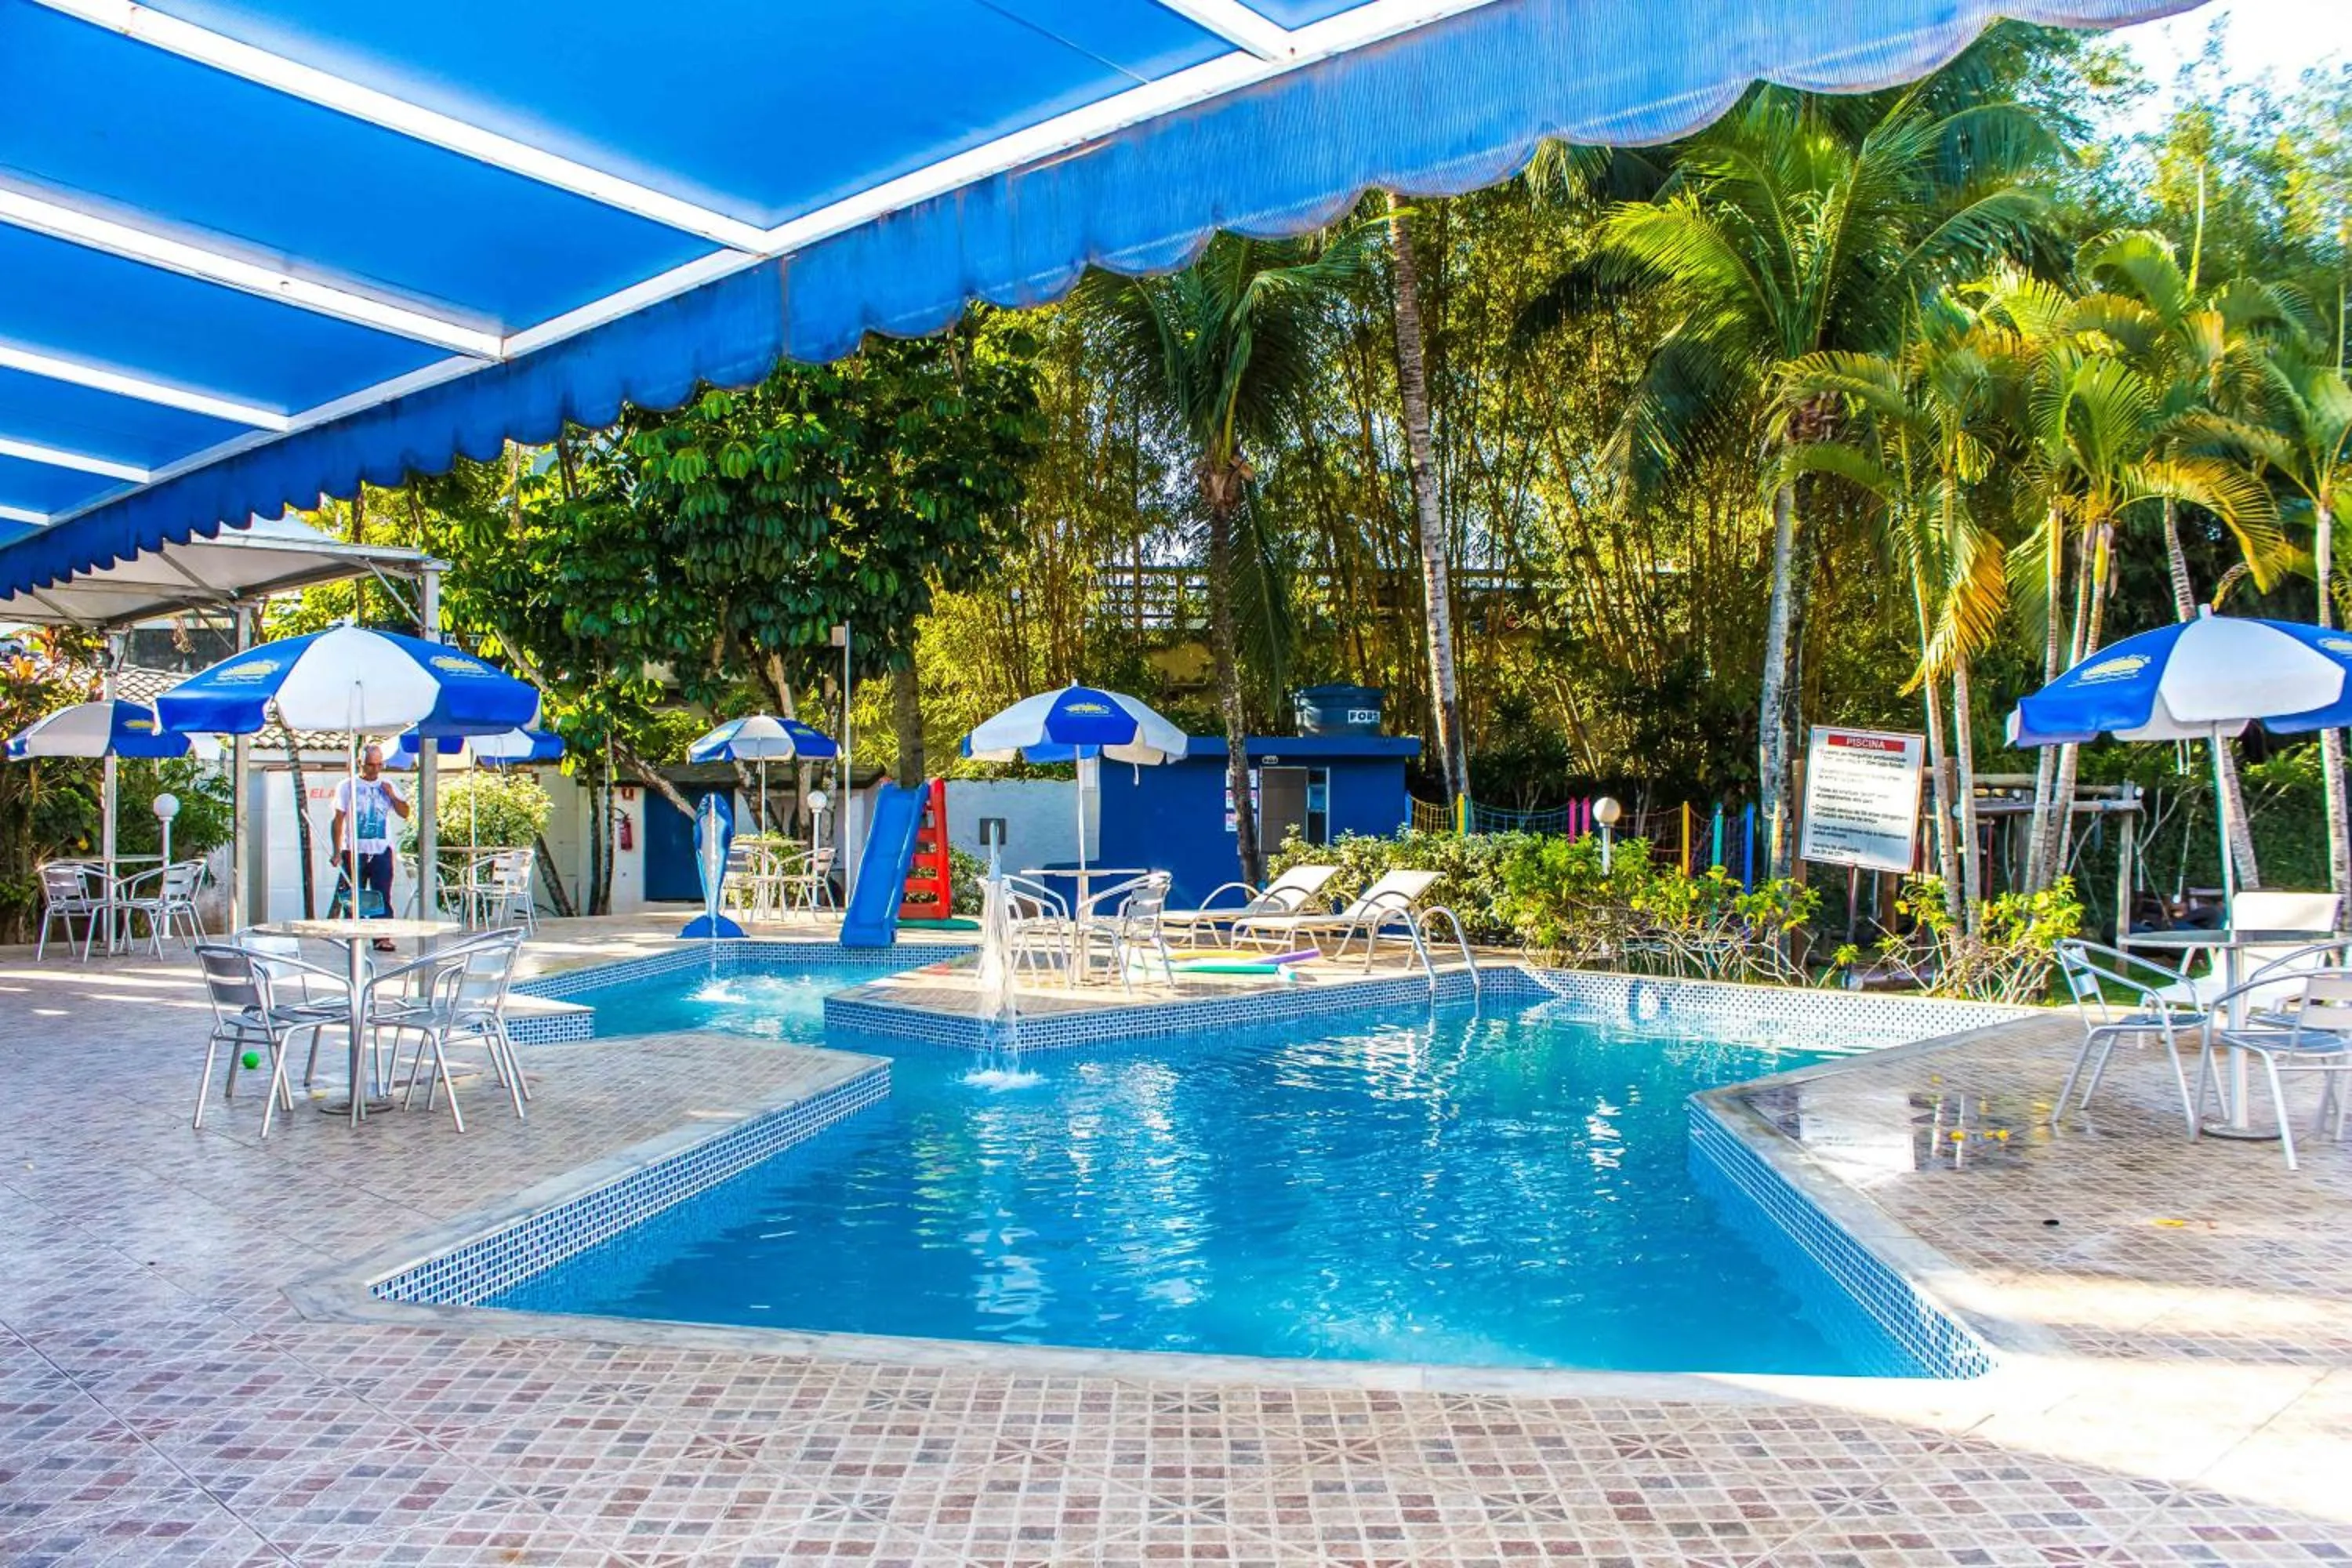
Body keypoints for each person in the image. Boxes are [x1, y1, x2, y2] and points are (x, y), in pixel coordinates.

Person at [331, 742, 410, 951]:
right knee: (351, 895)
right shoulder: (347, 786)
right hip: (354, 850)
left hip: (381, 850)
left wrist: (392, 795)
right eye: (370, 765)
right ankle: (352, 935)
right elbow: (338, 819)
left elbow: (405, 813)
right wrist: (337, 850)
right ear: (360, 764)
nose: (375, 770)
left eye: (379, 765)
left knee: (382, 894)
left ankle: (382, 937)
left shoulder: (388, 785)